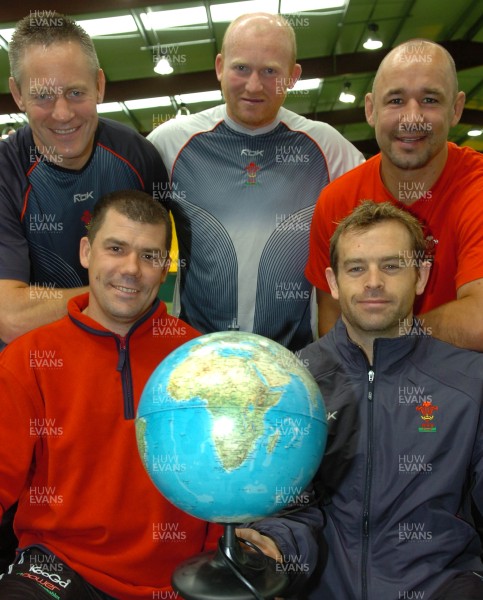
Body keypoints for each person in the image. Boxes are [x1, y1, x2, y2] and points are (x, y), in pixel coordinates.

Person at [248, 201, 483, 599]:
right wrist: (274, 548)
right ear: (334, 282)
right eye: (356, 268)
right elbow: (287, 510)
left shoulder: (470, 382)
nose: (373, 281)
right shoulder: (289, 384)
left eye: (391, 266)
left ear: (421, 276)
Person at [0, 190, 226, 599]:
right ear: (86, 252)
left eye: (150, 256)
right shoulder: (28, 359)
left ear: (165, 269)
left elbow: (229, 480)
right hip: (58, 566)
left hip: (177, 579)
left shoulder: (202, 361)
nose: (131, 269)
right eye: (116, 248)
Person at [148, 12, 364, 352]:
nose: (253, 85)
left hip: (294, 362)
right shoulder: (170, 143)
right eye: (241, 68)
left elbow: (376, 225)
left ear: (293, 76)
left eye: (270, 72)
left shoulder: (329, 149)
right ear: (220, 66)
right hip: (197, 359)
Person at [0, 12, 168, 346]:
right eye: (43, 96)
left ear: (100, 86)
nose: (62, 113)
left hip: (120, 352)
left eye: (76, 93)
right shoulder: (6, 174)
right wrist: (118, 292)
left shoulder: (139, 157)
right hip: (34, 362)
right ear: (18, 94)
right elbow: (10, 318)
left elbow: (162, 265)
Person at [306, 39, 483, 351]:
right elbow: (332, 321)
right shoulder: (336, 202)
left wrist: (385, 338)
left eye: (429, 100)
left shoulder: (476, 186)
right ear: (371, 110)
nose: (412, 118)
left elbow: (479, 321)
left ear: (455, 109)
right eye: (396, 101)